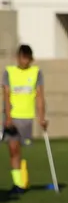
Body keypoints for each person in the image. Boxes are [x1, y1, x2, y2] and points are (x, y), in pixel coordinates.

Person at [2, 45, 47, 195]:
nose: (25, 61)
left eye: (28, 58)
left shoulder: (36, 73)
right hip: (13, 117)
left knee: (22, 149)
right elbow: (6, 96)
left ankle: (22, 178)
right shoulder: (9, 72)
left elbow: (40, 97)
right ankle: (18, 185)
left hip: (27, 118)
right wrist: (8, 117)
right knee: (13, 149)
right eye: (23, 57)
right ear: (18, 57)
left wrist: (42, 117)